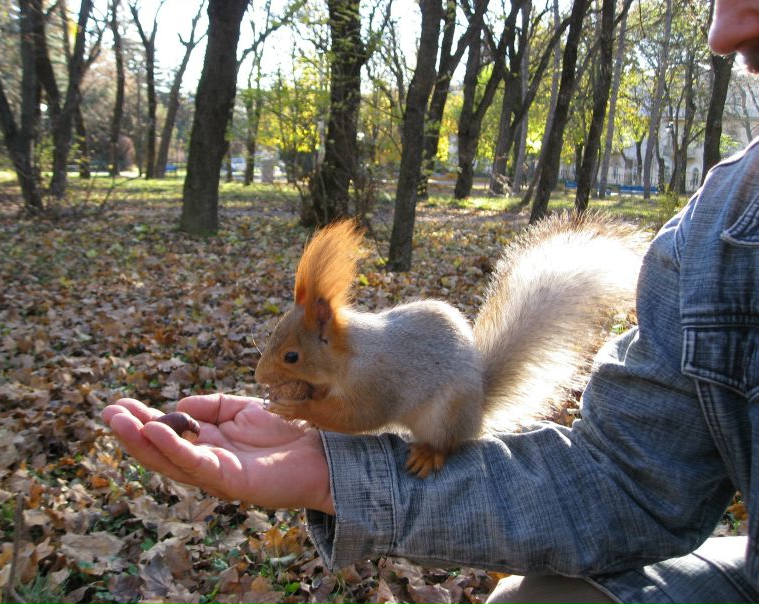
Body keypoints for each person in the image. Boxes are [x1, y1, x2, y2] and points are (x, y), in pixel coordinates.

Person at [102, 1, 759, 601]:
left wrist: (320, 423)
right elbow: (627, 482)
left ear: (329, 338)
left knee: (440, 415)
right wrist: (334, 479)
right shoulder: (724, 229)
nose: (724, 30)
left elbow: (365, 413)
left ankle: (440, 444)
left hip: (441, 404)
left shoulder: (361, 370)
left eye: (294, 359)